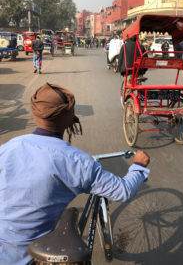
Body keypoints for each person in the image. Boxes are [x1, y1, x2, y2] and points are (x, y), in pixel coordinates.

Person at [0, 82, 150, 265]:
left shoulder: (9, 147)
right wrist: (138, 166)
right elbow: (124, 191)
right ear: (69, 117)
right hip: (31, 255)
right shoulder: (77, 161)